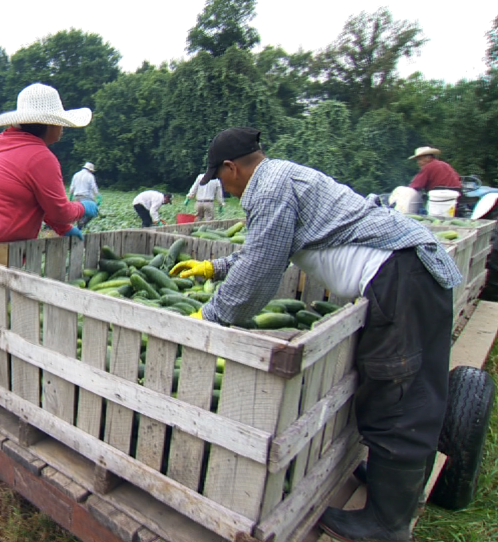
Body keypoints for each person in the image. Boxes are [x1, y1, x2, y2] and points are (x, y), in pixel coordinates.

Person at [173, 128, 461, 542]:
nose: (225, 189)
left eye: (220, 179)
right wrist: (214, 269)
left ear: (231, 167)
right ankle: (389, 487)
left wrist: (212, 316)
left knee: (400, 400)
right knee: (401, 392)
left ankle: (386, 524)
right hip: (409, 276)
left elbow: (261, 273)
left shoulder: (267, 189)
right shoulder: (280, 178)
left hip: (402, 280)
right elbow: (263, 250)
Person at [0, 83, 98, 246]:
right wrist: (82, 208)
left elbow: (32, 201)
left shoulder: (5, 145)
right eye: (60, 123)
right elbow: (60, 211)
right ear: (49, 125)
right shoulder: (41, 157)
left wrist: (62, 227)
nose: (62, 129)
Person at [69, 162, 101, 229]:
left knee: (80, 212)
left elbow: (72, 187)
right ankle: (83, 223)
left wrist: (70, 197)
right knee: (93, 211)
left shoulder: (76, 175)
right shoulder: (90, 176)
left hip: (77, 197)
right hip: (87, 197)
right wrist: (98, 196)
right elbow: (94, 187)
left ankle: (80, 226)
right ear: (90, 170)